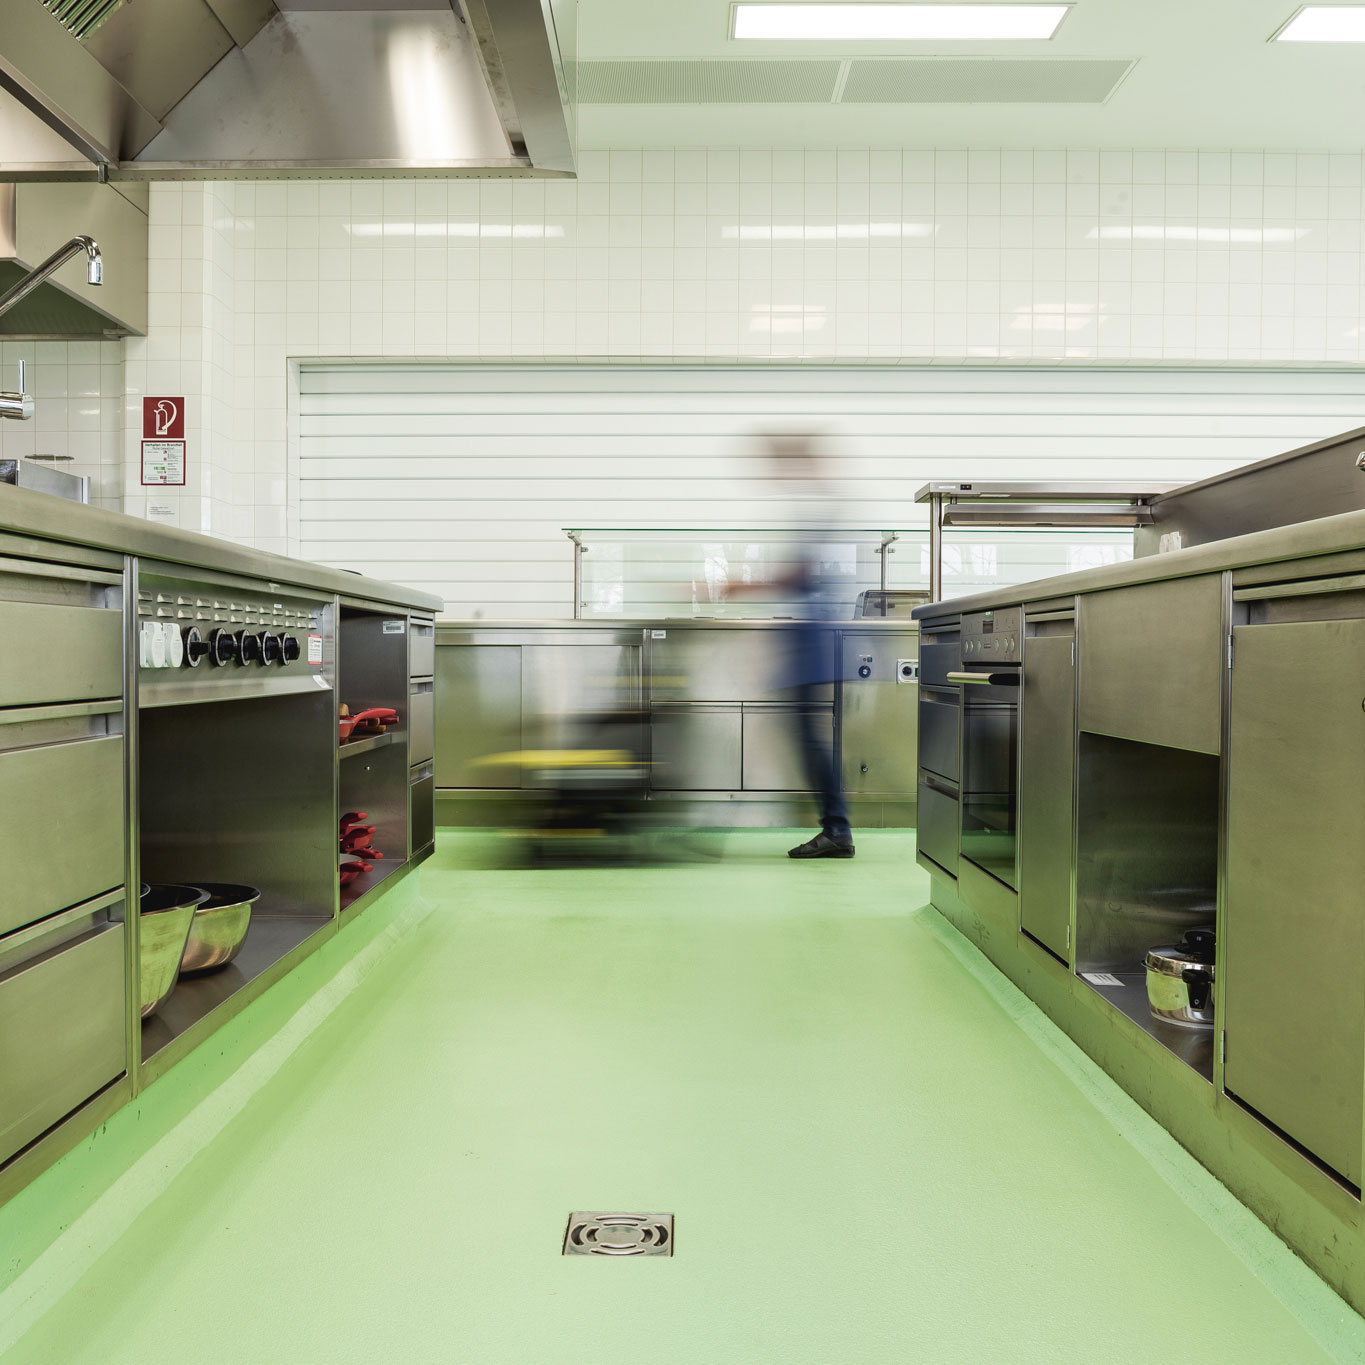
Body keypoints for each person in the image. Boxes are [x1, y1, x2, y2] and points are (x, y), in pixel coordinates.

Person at [726, 432, 854, 859]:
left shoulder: (820, 509)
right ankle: (836, 827)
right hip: (806, 642)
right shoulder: (814, 508)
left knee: (809, 740)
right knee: (807, 739)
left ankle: (837, 829)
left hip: (812, 643)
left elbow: (800, 576)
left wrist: (741, 586)